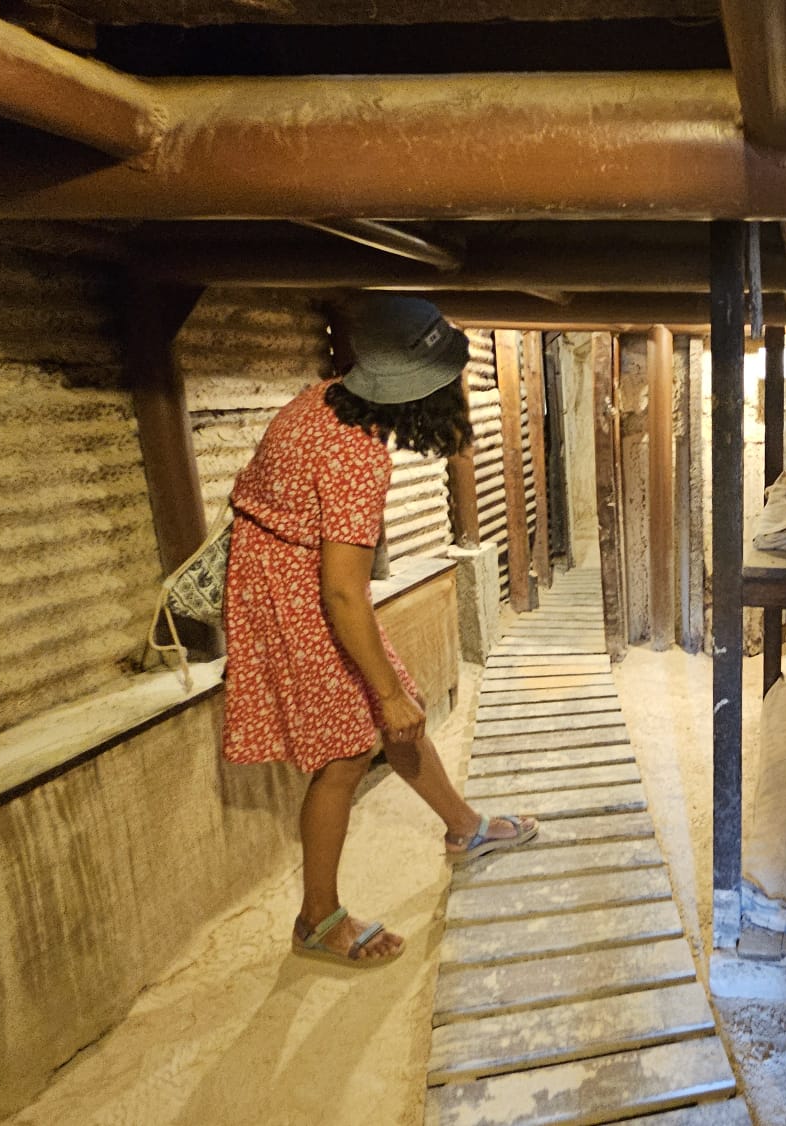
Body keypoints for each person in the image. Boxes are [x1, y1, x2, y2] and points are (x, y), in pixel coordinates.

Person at [220, 294, 537, 966]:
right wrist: (385, 691)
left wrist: (393, 693)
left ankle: (464, 827)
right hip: (296, 590)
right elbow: (341, 591)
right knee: (347, 751)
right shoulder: (358, 455)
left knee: (402, 711)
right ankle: (317, 919)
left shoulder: (320, 399)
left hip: (282, 573)